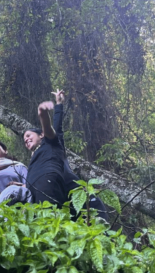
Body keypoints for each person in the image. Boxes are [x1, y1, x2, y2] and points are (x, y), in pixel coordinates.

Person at [52, 89, 109, 221]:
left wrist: (59, 105)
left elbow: (57, 130)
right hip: (63, 206)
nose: (26, 139)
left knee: (97, 218)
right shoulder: (35, 163)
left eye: (29, 135)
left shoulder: (55, 148)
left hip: (78, 194)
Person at [23, 101, 67, 207]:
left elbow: (52, 128)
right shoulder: (35, 157)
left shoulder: (50, 143)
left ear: (41, 135)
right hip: (32, 191)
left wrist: (43, 114)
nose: (26, 139)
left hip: (47, 182)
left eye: (29, 135)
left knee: (50, 218)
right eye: (25, 140)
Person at [0, 140, 32, 204]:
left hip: (18, 203)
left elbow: (30, 185)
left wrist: (19, 186)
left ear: (5, 151)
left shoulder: (19, 166)